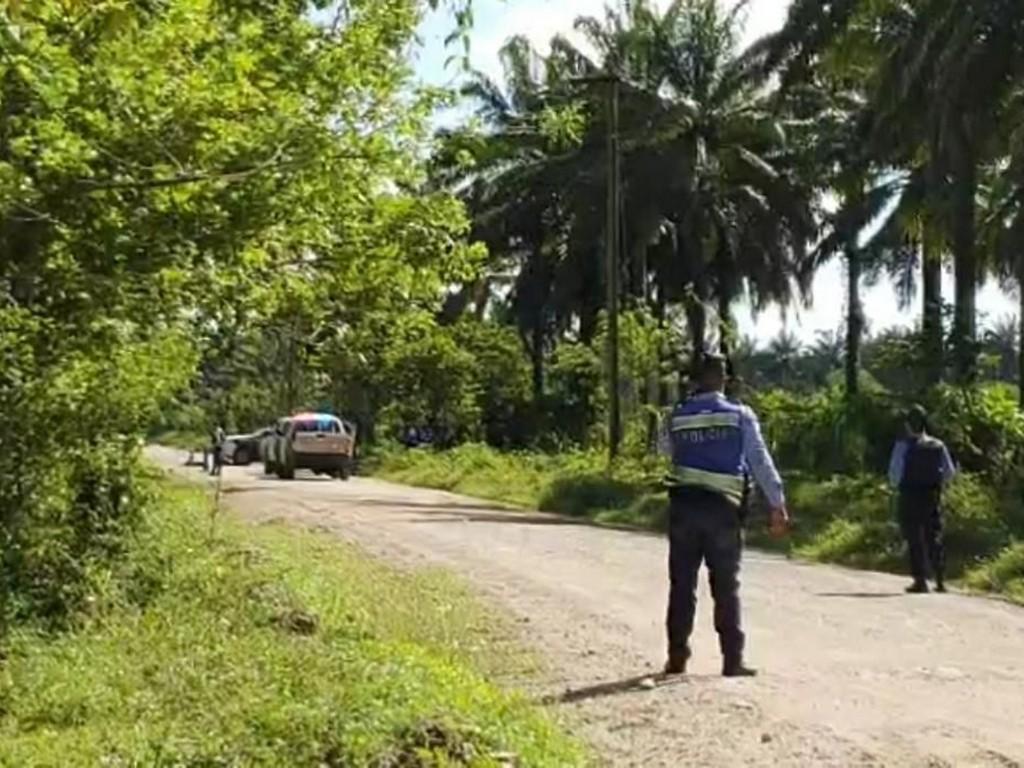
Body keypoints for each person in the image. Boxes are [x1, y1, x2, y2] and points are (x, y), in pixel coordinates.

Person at [661, 352, 788, 678]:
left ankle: (677, 658)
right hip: (723, 511)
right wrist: (777, 502)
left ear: (694, 379)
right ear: (722, 378)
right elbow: (759, 461)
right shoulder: (739, 416)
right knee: (726, 586)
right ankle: (732, 660)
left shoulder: (675, 416)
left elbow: (664, 452)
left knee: (681, 585)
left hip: (684, 509)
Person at [888, 405, 956, 594]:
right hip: (932, 496)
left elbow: (894, 475)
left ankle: (920, 581)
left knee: (914, 538)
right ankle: (940, 580)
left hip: (909, 495)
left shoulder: (902, 446)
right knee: (933, 535)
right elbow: (949, 473)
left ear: (908, 425)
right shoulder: (938, 445)